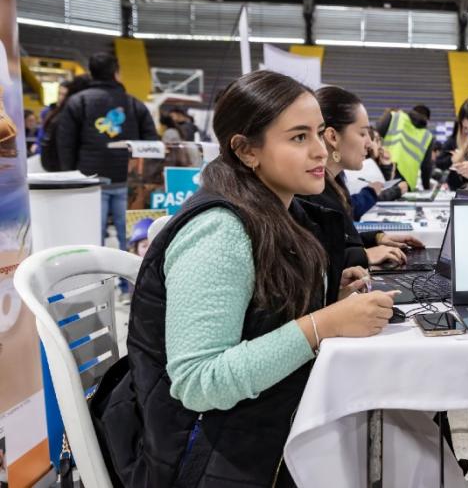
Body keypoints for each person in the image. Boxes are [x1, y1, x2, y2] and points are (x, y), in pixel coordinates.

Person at [96, 70, 397, 487]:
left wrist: (329, 298)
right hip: (204, 459)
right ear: (246, 150)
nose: (320, 151)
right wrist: (323, 323)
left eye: (319, 133)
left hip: (248, 436)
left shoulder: (278, 213)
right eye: (298, 137)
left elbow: (256, 318)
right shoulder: (220, 230)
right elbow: (200, 381)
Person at [300, 85, 421, 268]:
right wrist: (363, 255)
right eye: (363, 133)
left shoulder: (335, 183)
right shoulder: (312, 189)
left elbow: (339, 240)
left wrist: (377, 238)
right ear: (333, 136)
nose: (369, 144)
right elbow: (317, 257)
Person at [55, 52, 159, 249]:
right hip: (128, 182)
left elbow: (65, 143)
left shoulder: (78, 102)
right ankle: (129, 279)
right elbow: (151, 142)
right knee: (132, 238)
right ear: (116, 73)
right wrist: (145, 178)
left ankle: (96, 278)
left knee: (91, 237)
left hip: (90, 182)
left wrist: (70, 177)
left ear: (91, 73)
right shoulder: (134, 103)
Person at [377, 105, 436, 191]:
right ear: (427, 120)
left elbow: (375, 136)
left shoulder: (395, 117)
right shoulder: (427, 136)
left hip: (385, 169)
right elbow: (426, 167)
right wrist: (426, 187)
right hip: (406, 182)